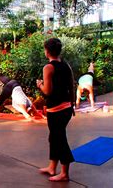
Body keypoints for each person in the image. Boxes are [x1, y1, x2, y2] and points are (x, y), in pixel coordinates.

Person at [36, 38, 75, 182]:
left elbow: (47, 90)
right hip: (65, 108)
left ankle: (64, 173)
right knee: (54, 137)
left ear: (47, 51)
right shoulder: (65, 65)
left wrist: (40, 84)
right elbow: (71, 85)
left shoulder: (48, 67)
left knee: (59, 139)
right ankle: (52, 167)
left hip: (57, 109)